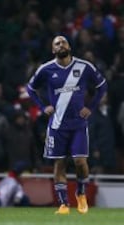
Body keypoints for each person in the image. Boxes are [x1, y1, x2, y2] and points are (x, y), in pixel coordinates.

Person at [26, 36, 107, 214]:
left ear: (69, 46)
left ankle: (81, 193)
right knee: (59, 164)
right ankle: (64, 204)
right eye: (57, 43)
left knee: (80, 161)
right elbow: (30, 88)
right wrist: (42, 107)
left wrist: (91, 107)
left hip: (78, 124)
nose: (61, 45)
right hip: (57, 125)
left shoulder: (84, 66)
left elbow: (102, 86)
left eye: (63, 42)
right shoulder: (46, 69)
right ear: (53, 50)